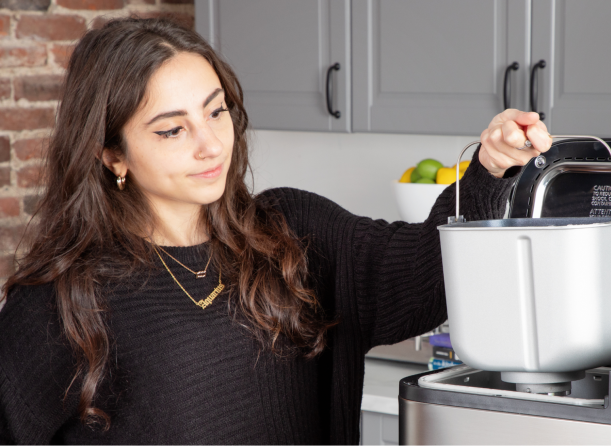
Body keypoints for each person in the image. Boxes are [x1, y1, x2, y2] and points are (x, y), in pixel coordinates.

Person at [0, 18, 551, 445]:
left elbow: (428, 273)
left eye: (216, 113)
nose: (210, 145)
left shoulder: (293, 231)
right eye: (172, 130)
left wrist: (491, 167)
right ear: (112, 153)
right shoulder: (60, 301)